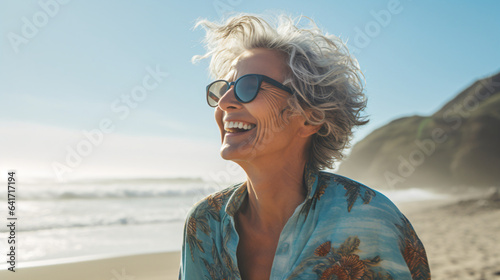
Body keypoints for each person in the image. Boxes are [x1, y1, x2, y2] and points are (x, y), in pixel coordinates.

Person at [179, 13, 430, 280]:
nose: (225, 101)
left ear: (310, 118)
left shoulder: (371, 221)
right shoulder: (204, 223)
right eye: (223, 88)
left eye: (248, 86)